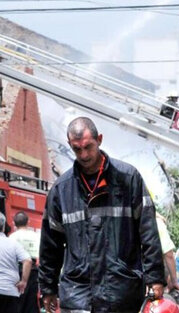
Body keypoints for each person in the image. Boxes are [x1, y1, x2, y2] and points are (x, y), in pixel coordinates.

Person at [39, 116, 166, 313]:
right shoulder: (61, 190)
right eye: (77, 149)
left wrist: (155, 278)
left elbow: (148, 232)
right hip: (78, 296)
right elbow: (50, 245)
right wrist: (47, 287)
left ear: (100, 139)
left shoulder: (128, 179)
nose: (84, 155)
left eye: (88, 146)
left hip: (121, 292)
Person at [0, 212, 33, 313]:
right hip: (10, 290)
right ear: (4, 227)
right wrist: (23, 281)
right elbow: (27, 260)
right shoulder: (13, 243)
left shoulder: (13, 237)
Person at [9, 211, 41, 313]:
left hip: (17, 272)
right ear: (28, 222)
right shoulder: (35, 236)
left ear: (14, 223)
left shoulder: (12, 237)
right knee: (31, 304)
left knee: (17, 304)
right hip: (33, 272)